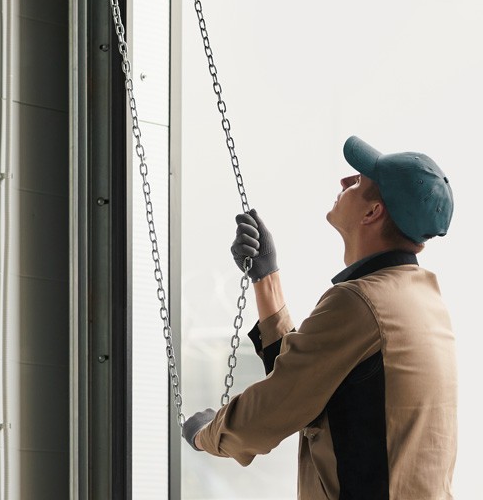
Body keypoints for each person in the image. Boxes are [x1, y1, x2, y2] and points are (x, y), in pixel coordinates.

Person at [181, 136, 458, 500]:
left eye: (358, 182)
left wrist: (206, 433)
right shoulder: (420, 298)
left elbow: (272, 411)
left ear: (372, 213)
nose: (345, 181)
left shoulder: (360, 302)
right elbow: (307, 379)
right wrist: (267, 278)